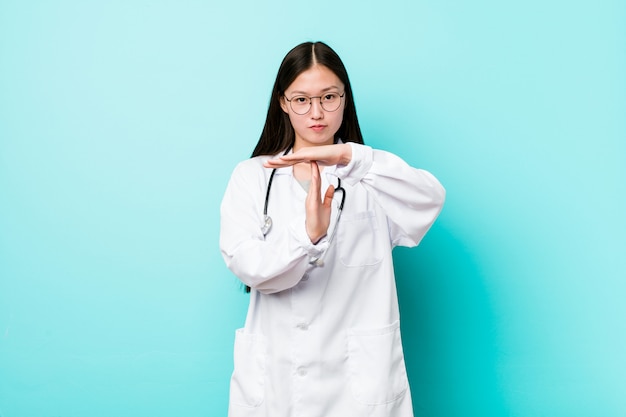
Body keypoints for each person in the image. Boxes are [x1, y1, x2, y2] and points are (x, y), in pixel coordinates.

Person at [219, 41, 445, 417]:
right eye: (302, 100)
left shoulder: (372, 178)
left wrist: (351, 157)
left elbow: (429, 199)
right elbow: (247, 264)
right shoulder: (251, 177)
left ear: (345, 97)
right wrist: (307, 237)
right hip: (277, 382)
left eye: (329, 97)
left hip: (357, 388)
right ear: (283, 102)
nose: (317, 112)